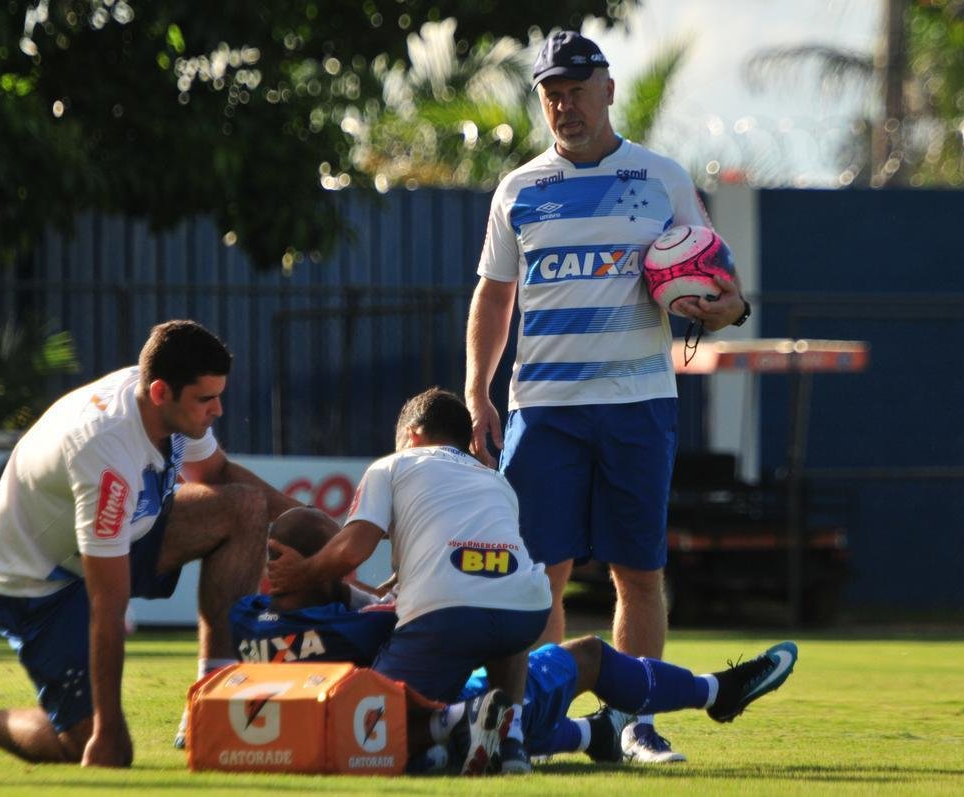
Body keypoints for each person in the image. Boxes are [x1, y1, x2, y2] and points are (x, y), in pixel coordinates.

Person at [463, 31, 751, 764]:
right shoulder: (518, 188)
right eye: (552, 94)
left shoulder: (662, 178)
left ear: (609, 90)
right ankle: (534, 722)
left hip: (638, 403)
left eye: (577, 91)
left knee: (639, 573)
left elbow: (718, 279)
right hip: (543, 408)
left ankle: (633, 725)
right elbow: (494, 297)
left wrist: (729, 308)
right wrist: (477, 388)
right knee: (539, 577)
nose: (565, 106)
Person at [0, 319, 297, 768]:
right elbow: (108, 604)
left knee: (245, 507)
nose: (217, 410)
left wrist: (316, 524)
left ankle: (211, 703)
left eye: (219, 396)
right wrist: (107, 729)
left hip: (120, 534)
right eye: (206, 399)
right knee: (86, 747)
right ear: (161, 392)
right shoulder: (105, 450)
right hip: (39, 584)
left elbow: (215, 473)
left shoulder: (164, 401)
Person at [243, 506, 798, 769]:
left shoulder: (244, 618)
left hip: (354, 737)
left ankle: (591, 735)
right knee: (585, 654)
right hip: (431, 714)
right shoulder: (358, 624)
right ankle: (714, 692)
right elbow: (405, 609)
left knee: (497, 708)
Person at [268, 388, 553, 773]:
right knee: (502, 593)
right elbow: (468, 559)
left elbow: (352, 550)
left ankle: (459, 721)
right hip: (528, 612)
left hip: (448, 617)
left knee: (358, 727)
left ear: (412, 434)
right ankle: (512, 740)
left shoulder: (392, 466)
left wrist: (300, 572)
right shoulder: (494, 480)